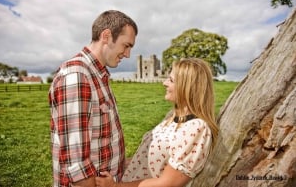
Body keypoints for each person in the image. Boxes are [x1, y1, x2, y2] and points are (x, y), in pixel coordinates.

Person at [95, 58, 219, 187]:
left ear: (187, 87)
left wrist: (115, 186)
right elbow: (148, 158)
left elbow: (167, 183)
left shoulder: (196, 128)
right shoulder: (171, 117)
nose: (164, 83)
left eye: (171, 80)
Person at [48, 10, 138, 187]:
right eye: (126, 45)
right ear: (106, 36)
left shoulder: (97, 74)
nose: (127, 54)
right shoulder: (77, 75)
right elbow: (78, 166)